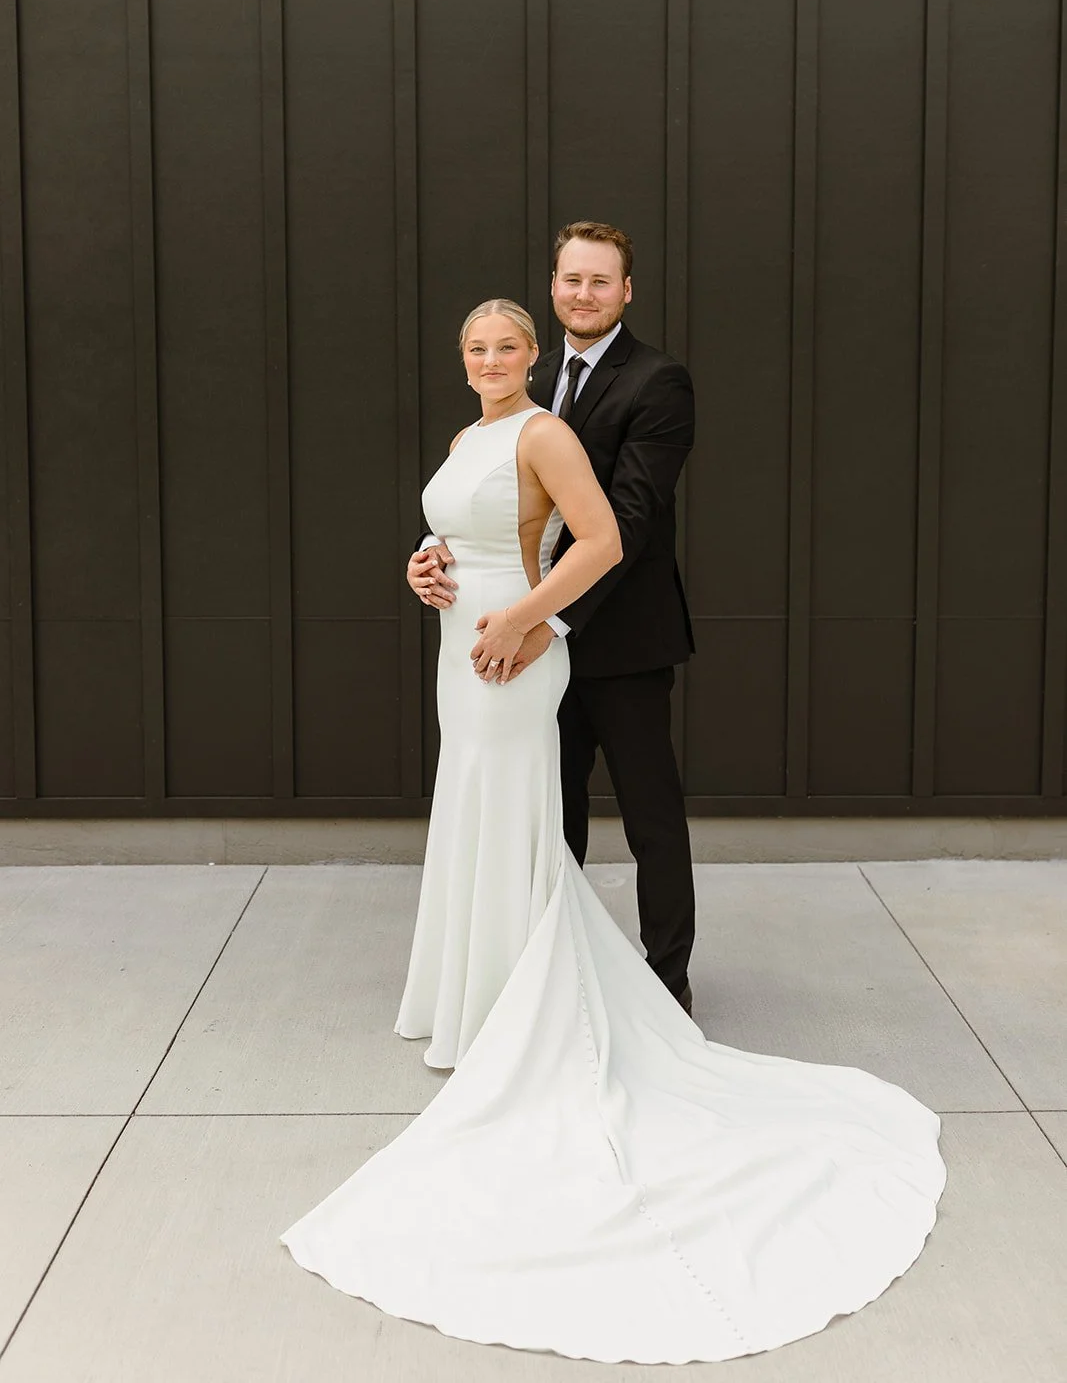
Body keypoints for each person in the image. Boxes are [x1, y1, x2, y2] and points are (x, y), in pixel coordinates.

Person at [281, 296, 946, 1366]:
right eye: (473, 348)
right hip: (460, 637)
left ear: (530, 354)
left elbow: (600, 536)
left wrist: (530, 614)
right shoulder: (470, 436)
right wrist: (425, 567)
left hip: (513, 643)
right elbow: (454, 523)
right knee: (475, 804)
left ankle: (516, 1005)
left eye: (504, 344)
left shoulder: (544, 430)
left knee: (518, 808)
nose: (488, 358)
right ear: (461, 363)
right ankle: (467, 991)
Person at [412, 221, 697, 1013]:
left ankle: (665, 993)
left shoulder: (656, 382)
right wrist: (428, 554)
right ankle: (546, 979)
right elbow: (494, 501)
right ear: (553, 288)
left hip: (616, 640)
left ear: (625, 290)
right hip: (518, 648)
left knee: (651, 824)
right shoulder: (510, 398)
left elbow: (626, 524)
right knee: (546, 818)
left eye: (600, 282)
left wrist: (548, 624)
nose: (584, 294)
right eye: (572, 280)